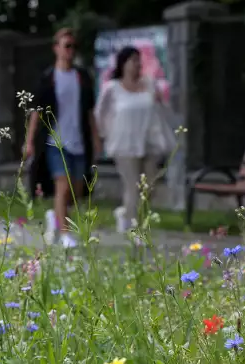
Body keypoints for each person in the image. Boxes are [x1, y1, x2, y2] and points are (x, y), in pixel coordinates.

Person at [25, 28, 102, 248]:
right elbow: (36, 111)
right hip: (55, 141)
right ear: (56, 48)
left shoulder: (81, 77)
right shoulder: (49, 78)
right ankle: (66, 234)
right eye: (66, 46)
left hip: (79, 140)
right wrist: (29, 141)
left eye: (73, 47)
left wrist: (96, 139)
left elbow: (89, 111)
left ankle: (55, 217)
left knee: (77, 191)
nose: (70, 51)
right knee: (63, 185)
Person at [94, 46, 171, 233]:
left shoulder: (150, 84)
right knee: (132, 187)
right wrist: (105, 134)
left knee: (149, 188)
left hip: (149, 142)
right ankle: (135, 227)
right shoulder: (112, 88)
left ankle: (127, 215)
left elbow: (162, 109)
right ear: (123, 63)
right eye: (133, 60)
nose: (137, 64)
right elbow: (100, 114)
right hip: (124, 145)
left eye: (139, 60)